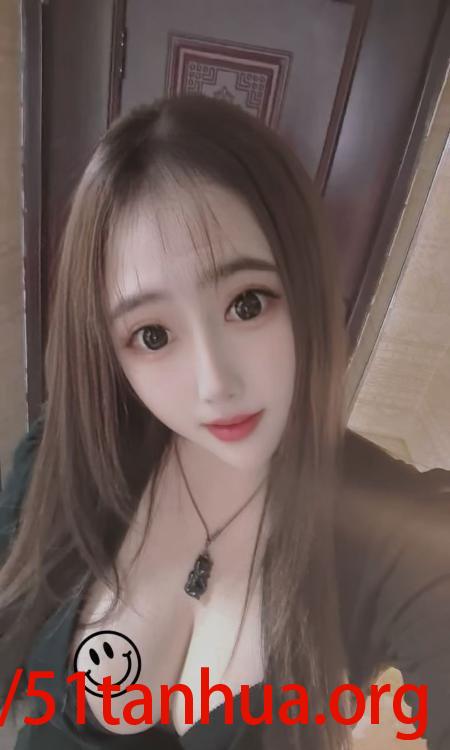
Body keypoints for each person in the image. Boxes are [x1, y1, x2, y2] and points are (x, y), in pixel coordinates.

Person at [0, 93, 449, 750]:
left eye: (248, 303)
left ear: (304, 281)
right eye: (153, 335)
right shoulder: (62, 461)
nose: (215, 385)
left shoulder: (399, 530)